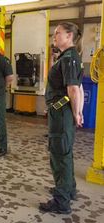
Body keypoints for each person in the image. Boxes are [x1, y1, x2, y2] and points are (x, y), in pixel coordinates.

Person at [39, 22, 84, 214]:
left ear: (69, 36)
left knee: (60, 155)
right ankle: (68, 189)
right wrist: (79, 111)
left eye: (57, 33)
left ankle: (61, 201)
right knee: (66, 153)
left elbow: (74, 89)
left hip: (62, 113)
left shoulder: (69, 58)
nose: (54, 37)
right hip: (63, 111)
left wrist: (75, 113)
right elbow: (78, 87)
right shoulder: (68, 57)